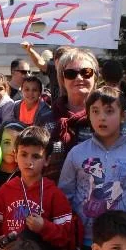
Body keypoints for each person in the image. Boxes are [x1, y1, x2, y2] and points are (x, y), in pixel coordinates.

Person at [60, 86, 126, 250]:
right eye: (95, 111)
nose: (101, 117)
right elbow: (64, 198)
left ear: (123, 116)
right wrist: (65, 240)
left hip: (123, 245)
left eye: (109, 111)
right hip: (85, 243)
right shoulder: (77, 153)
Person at [0, 125, 75, 250]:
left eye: (36, 156)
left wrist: (44, 227)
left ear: (47, 160)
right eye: (24, 154)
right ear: (15, 155)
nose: (29, 161)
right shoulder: (4, 191)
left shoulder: (54, 194)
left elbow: (66, 236)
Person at [47, 48, 99, 181]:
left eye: (86, 72)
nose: (79, 78)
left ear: (95, 77)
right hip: (54, 190)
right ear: (62, 79)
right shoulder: (46, 118)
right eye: (71, 74)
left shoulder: (107, 119)